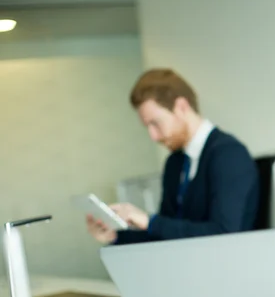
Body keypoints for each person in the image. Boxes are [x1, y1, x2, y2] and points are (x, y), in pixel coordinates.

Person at [86, 68, 259, 245]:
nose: (153, 136)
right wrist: (115, 235)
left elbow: (223, 233)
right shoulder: (175, 163)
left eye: (155, 123)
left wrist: (150, 221)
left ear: (182, 107)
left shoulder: (228, 155)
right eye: (148, 127)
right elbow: (165, 234)